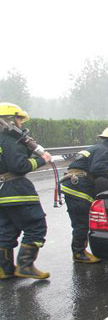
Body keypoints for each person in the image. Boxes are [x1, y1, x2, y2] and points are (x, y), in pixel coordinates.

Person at [61, 126, 108, 263]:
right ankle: (79, 253)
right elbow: (97, 168)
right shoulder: (103, 150)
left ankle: (79, 251)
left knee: (79, 220)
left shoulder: (96, 148)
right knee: (82, 221)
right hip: (79, 187)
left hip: (73, 185)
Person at [0, 102, 52, 280]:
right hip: (17, 190)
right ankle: (25, 266)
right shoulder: (10, 140)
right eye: (18, 119)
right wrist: (42, 159)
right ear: (8, 120)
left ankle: (4, 269)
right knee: (36, 226)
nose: (21, 123)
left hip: (1, 193)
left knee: (6, 230)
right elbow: (19, 165)